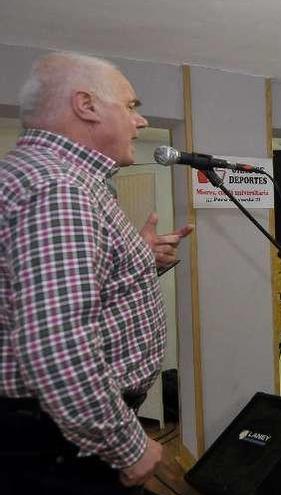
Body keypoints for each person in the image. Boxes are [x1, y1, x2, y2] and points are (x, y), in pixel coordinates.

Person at [0, 52, 193, 493]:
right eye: (130, 106)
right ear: (86, 106)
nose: (140, 122)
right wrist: (128, 446)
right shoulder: (59, 188)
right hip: (59, 446)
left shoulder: (52, 180)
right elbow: (57, 347)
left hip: (58, 433)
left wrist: (137, 258)